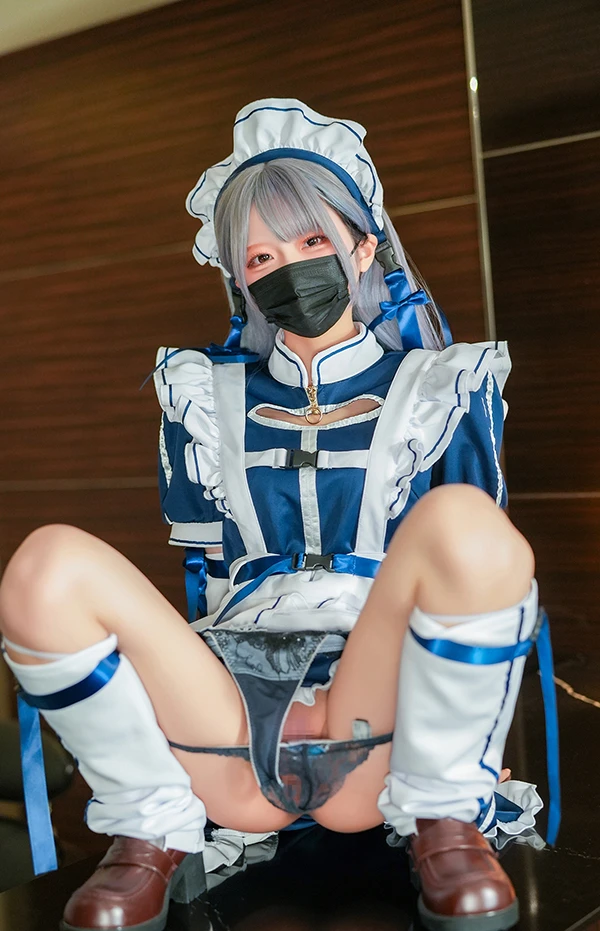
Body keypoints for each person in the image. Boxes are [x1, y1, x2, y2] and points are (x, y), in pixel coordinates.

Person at [0, 99, 550, 931]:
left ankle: (445, 819)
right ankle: (148, 833)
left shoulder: (442, 387)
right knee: (46, 564)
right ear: (241, 280)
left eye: (311, 242)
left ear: (363, 247)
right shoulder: (203, 396)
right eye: (260, 256)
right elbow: (209, 578)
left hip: (382, 730)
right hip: (232, 737)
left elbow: (472, 580)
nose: (286, 269)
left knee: (466, 525)